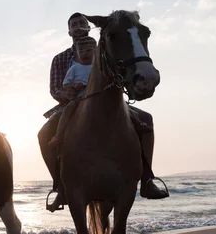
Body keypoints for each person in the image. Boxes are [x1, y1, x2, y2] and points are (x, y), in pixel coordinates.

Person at [38, 12, 168, 212]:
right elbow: (54, 89)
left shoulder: (106, 49)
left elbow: (119, 74)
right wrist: (66, 92)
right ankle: (59, 186)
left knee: (146, 119)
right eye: (74, 24)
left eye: (82, 22)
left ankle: (147, 178)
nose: (79, 26)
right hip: (72, 104)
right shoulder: (60, 58)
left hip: (107, 102)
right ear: (69, 31)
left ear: (89, 27)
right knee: (44, 133)